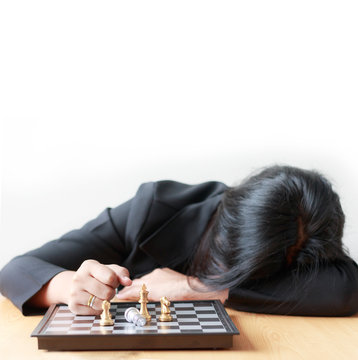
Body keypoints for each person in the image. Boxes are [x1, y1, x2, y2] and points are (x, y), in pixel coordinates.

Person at [1, 165, 358, 317]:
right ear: (226, 210)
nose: (225, 271)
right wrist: (68, 287)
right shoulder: (156, 209)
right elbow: (15, 271)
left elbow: (347, 290)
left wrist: (194, 287)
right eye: (226, 256)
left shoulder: (304, 242)